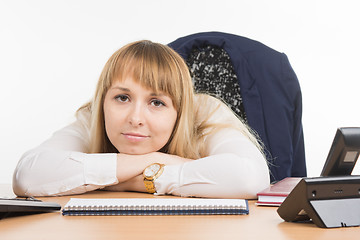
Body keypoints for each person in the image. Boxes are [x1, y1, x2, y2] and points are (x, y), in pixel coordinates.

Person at [12, 40, 270, 198]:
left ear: (179, 113)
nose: (135, 118)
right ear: (104, 100)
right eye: (122, 98)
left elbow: (250, 178)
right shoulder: (93, 117)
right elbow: (27, 175)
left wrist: (121, 181)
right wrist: (155, 161)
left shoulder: (204, 117)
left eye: (156, 102)